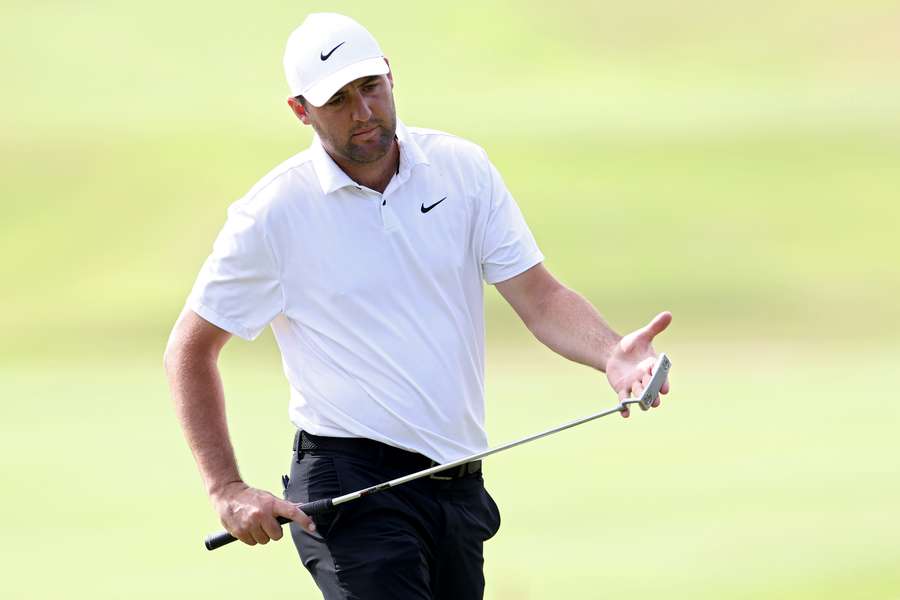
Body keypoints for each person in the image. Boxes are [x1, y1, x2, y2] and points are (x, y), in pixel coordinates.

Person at [164, 12, 672, 600]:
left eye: (370, 87)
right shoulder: (272, 214)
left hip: (456, 485)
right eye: (337, 100)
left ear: (390, 77)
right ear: (301, 110)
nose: (362, 112)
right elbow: (190, 350)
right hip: (352, 485)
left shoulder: (461, 169)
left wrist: (611, 354)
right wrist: (225, 485)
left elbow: (540, 297)